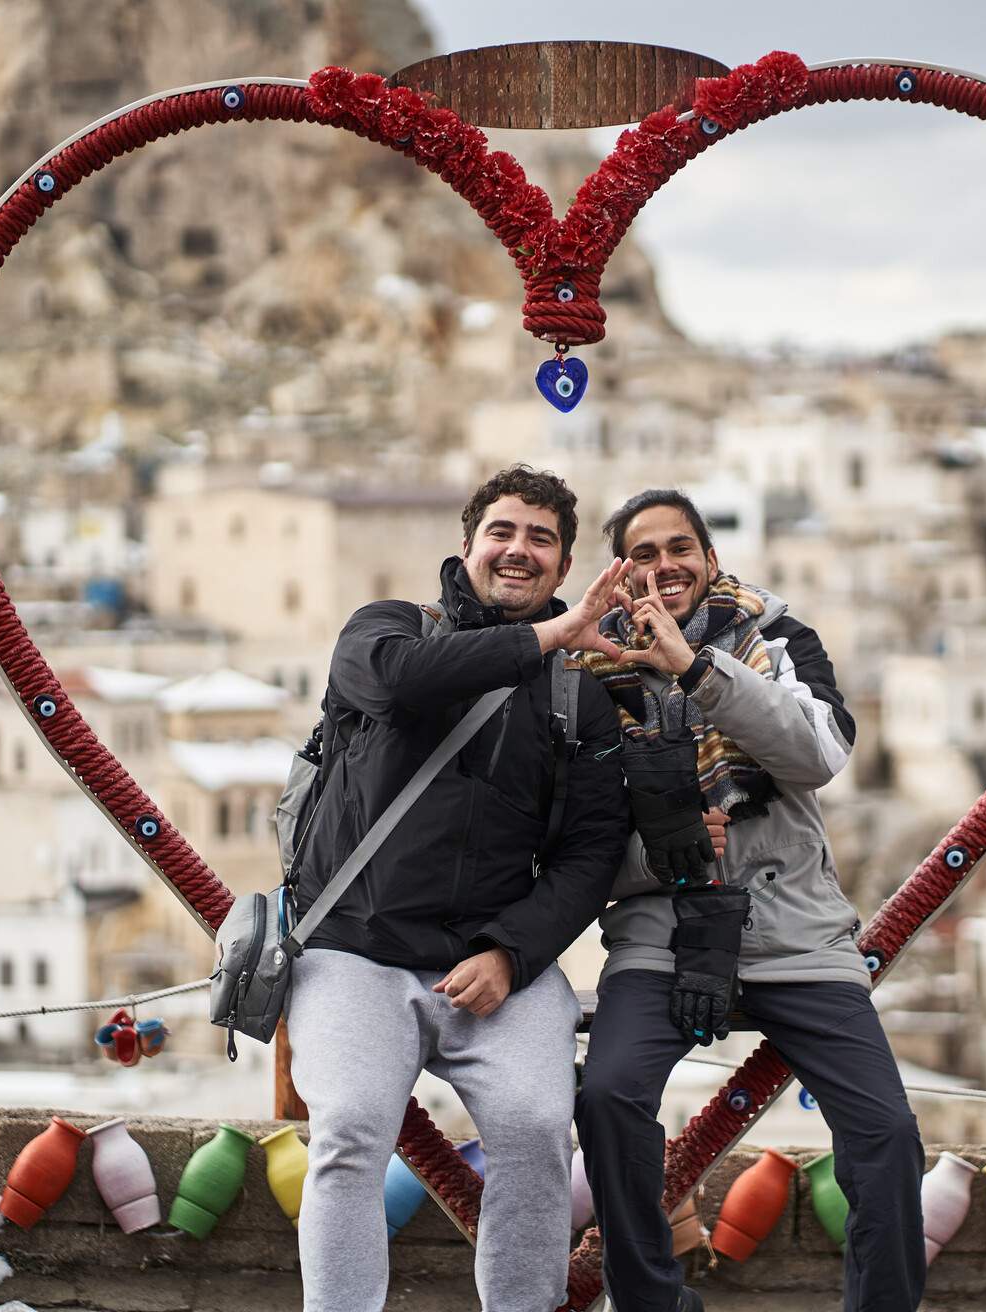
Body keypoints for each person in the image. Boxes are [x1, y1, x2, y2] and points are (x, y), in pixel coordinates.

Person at [284, 465, 632, 1312]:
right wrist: (554, 637)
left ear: (562, 563)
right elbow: (407, 682)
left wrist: (511, 955)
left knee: (537, 1132)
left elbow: (590, 853)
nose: (519, 552)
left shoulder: (576, 699)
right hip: (355, 952)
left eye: (540, 539)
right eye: (503, 533)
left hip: (492, 963)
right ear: (468, 546)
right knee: (350, 1133)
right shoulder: (388, 629)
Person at [575, 489, 927, 1312]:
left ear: (709, 559)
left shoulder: (774, 639)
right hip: (661, 930)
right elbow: (579, 847)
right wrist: (668, 848)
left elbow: (818, 752)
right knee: (608, 1096)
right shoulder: (590, 672)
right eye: (645, 554)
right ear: (621, 574)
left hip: (792, 930)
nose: (666, 567)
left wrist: (697, 671)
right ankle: (652, 1301)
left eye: (680, 548)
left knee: (886, 1134)